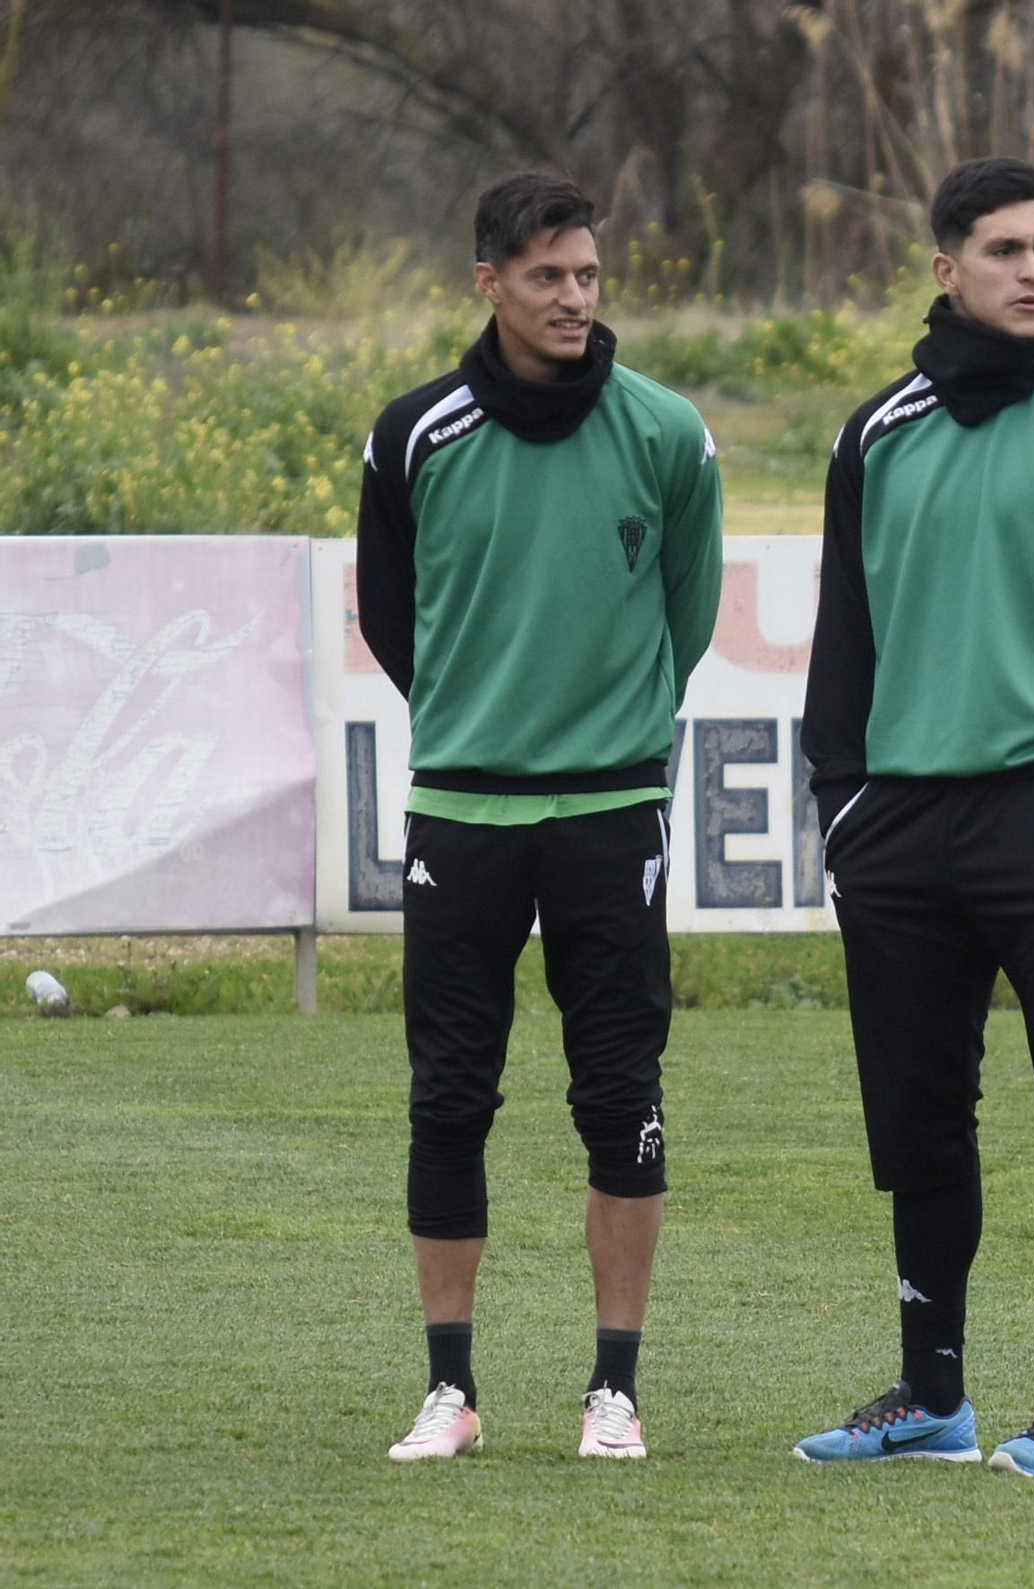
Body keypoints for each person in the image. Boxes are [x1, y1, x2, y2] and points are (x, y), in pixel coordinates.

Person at [795, 157, 1034, 1475]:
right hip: (897, 819)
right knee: (915, 1111)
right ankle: (930, 1389)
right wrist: (838, 799)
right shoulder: (877, 432)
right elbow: (843, 632)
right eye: (1007, 250)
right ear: (945, 269)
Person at [356, 170, 722, 1463]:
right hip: (461, 809)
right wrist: (485, 721)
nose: (574, 298)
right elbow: (393, 623)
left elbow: (687, 612)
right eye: (547, 277)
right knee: (449, 1097)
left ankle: (611, 1389)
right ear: (488, 282)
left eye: (588, 275)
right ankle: (449, 1391)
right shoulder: (412, 435)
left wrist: (600, 731)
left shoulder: (669, 432)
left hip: (611, 810)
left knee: (621, 1094)